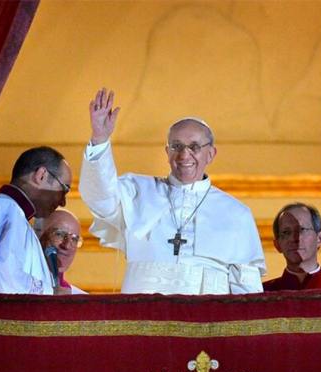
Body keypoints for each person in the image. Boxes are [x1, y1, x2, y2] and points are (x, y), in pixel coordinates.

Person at [79, 88, 265, 295]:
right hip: (143, 316)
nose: (184, 155)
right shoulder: (137, 192)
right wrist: (99, 140)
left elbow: (247, 289)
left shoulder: (236, 213)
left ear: (210, 154)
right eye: (176, 146)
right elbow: (100, 197)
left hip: (207, 321)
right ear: (167, 152)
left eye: (194, 147)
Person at [0, 146, 72, 294]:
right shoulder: (4, 207)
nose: (63, 202)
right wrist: (50, 292)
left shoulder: (14, 213)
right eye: (64, 189)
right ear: (41, 175)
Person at [263, 203, 321, 291]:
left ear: (319, 238)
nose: (295, 238)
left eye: (302, 229)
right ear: (277, 245)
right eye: (286, 232)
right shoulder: (263, 294)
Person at [36, 209, 88, 294]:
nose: (67, 246)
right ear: (38, 235)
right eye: (59, 234)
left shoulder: (80, 298)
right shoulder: (20, 282)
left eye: (74, 239)